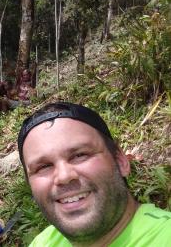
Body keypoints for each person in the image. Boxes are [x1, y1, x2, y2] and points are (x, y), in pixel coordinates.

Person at [15, 102, 171, 246]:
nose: (64, 176)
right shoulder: (42, 243)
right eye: (43, 167)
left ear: (121, 161)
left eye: (80, 155)